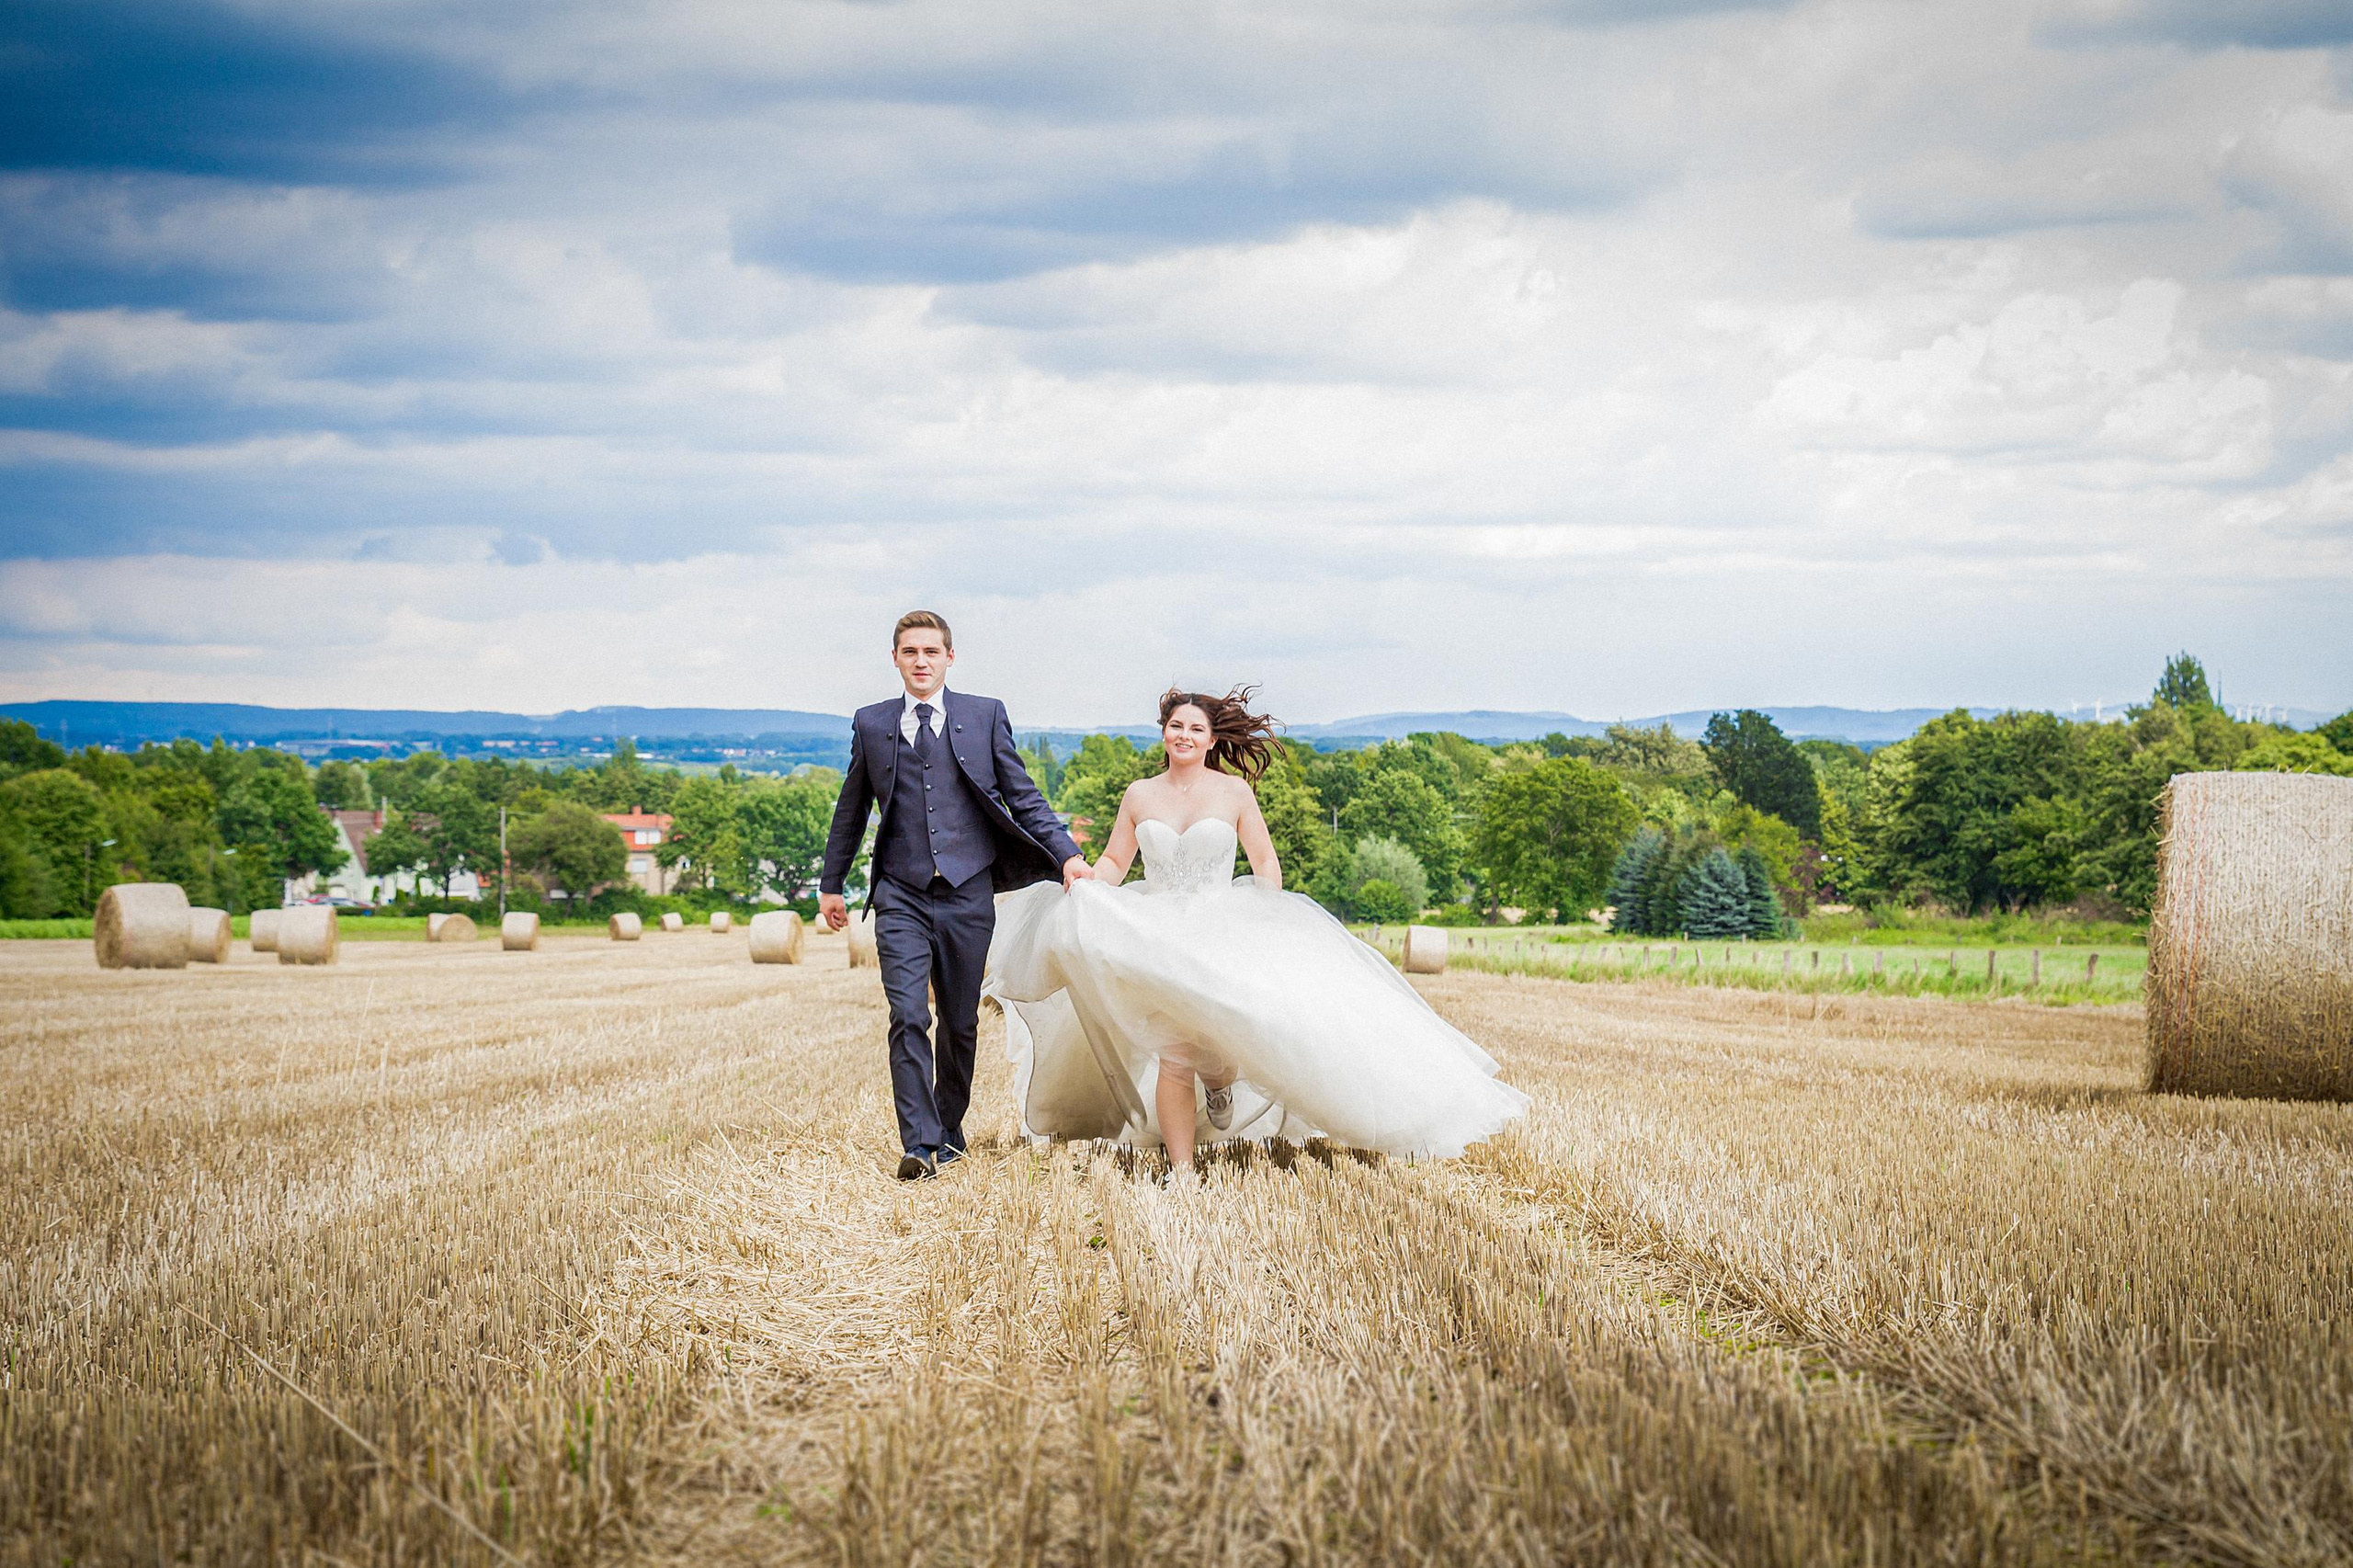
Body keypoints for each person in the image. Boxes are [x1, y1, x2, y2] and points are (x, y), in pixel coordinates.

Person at [986, 687, 1528, 1181]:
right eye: (1177, 726)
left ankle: (1221, 1083)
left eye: (1197, 729)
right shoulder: (1139, 794)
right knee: (1175, 1054)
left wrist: (1266, 919)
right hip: (1157, 932)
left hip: (1223, 923)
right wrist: (1085, 883)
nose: (1185, 736)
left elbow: (1265, 863)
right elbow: (1115, 862)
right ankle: (1181, 1170)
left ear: (1212, 738)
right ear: (1165, 733)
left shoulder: (1235, 793)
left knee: (1218, 1044)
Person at [820, 611, 1090, 1180]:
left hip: (969, 893)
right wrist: (830, 884)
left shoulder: (983, 715)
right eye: (910, 651)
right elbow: (852, 809)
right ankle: (918, 1144)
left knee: (961, 1021)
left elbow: (1023, 794)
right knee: (908, 1014)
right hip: (900, 893)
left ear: (949, 659)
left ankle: (948, 1128)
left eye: (932, 652)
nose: (921, 661)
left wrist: (1066, 854)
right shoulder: (871, 724)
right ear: (895, 658)